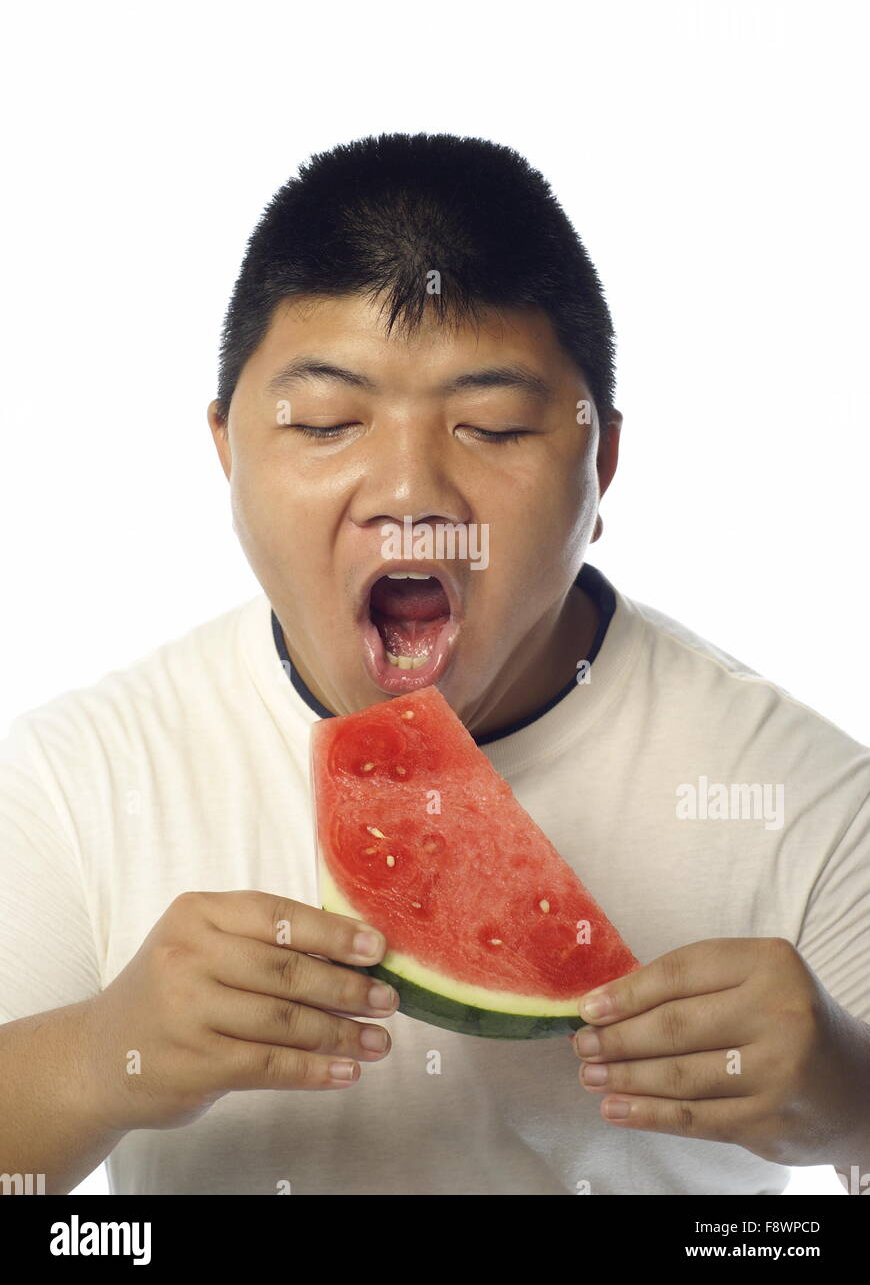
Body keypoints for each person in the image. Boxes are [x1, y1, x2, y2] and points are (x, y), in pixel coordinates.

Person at [1, 131, 867, 1197]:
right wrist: (98, 1058)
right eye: (325, 422)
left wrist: (856, 1096)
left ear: (601, 464)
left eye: (493, 427)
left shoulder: (810, 799)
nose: (411, 491)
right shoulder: (69, 778)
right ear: (227, 452)